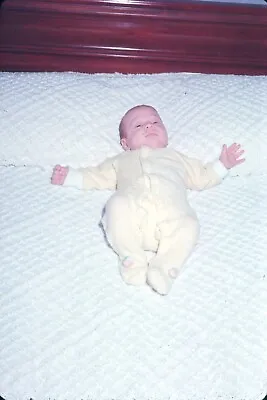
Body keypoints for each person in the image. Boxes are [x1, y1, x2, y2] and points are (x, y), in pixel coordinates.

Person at [51, 105, 245, 295]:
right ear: (125, 143)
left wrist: (222, 165)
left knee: (190, 224)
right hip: (133, 220)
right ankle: (131, 257)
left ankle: (165, 267)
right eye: (138, 126)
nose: (148, 126)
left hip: (172, 218)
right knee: (115, 206)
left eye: (155, 122)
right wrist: (70, 177)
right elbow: (97, 176)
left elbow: (202, 177)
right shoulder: (121, 160)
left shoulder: (177, 158)